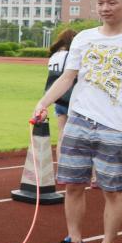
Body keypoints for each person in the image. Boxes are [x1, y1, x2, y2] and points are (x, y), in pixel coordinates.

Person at [35, 0, 122, 243]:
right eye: (101, 3)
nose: (105, 8)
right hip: (78, 121)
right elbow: (68, 77)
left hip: (114, 126)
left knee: (112, 190)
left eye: (112, 3)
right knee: (73, 185)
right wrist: (43, 103)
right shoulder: (84, 38)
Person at [45, 28, 76, 165]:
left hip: (58, 98)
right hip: (71, 97)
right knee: (78, 136)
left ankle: (61, 167)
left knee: (61, 134)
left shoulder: (54, 56)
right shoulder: (70, 55)